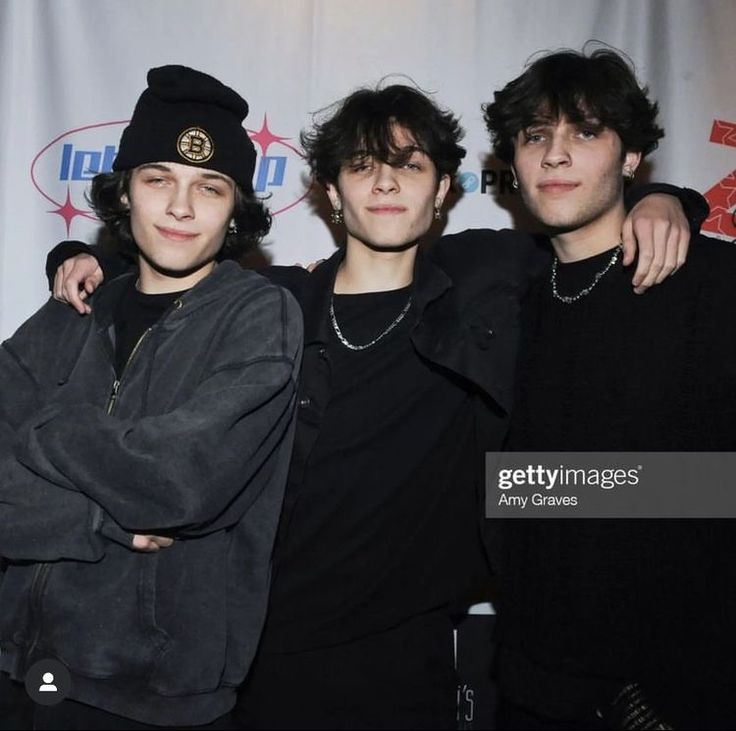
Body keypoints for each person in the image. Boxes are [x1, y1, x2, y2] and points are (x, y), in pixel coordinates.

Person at [43, 81, 704, 729]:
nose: (385, 184)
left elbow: (584, 220)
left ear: (443, 189)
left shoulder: (488, 279)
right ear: (331, 192)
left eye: (408, 165)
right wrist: (82, 258)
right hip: (249, 654)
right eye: (362, 166)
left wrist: (666, 200)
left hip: (405, 665)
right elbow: (159, 278)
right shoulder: (269, 304)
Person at [0, 65, 302, 729]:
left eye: (210, 186)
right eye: (158, 177)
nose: (181, 206)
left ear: (236, 209)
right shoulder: (74, 309)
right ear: (125, 193)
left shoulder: (259, 316)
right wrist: (93, 519)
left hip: (154, 698)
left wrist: (43, 430)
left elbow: (176, 482)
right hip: (18, 668)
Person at [483, 48, 736, 729]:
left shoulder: (712, 285)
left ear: (630, 157)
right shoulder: (506, 294)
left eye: (585, 132)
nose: (555, 155)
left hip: (669, 693)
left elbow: (722, 485)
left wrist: (532, 484)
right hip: (530, 685)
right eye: (536, 135)